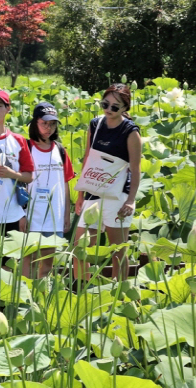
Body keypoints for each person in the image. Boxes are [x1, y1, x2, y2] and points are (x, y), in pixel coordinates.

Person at [74, 83, 142, 282]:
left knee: (118, 252)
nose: (108, 109)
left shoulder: (131, 132)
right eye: (105, 104)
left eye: (115, 106)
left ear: (125, 108)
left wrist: (130, 200)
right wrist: (79, 194)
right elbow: (87, 159)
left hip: (118, 194)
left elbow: (136, 169)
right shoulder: (95, 125)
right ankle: (82, 291)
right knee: (81, 248)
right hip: (93, 190)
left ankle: (118, 295)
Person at [0, 89, 35, 263]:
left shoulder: (18, 141)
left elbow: (29, 176)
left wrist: (11, 174)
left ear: (8, 109)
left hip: (12, 214)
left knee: (9, 266)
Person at [23, 103, 76, 279]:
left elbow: (66, 183)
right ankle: (26, 298)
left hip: (55, 214)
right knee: (28, 260)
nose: (48, 128)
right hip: (31, 213)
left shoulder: (60, 150)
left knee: (47, 262)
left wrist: (67, 214)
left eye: (52, 124)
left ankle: (41, 296)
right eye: (44, 123)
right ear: (34, 123)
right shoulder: (26, 148)